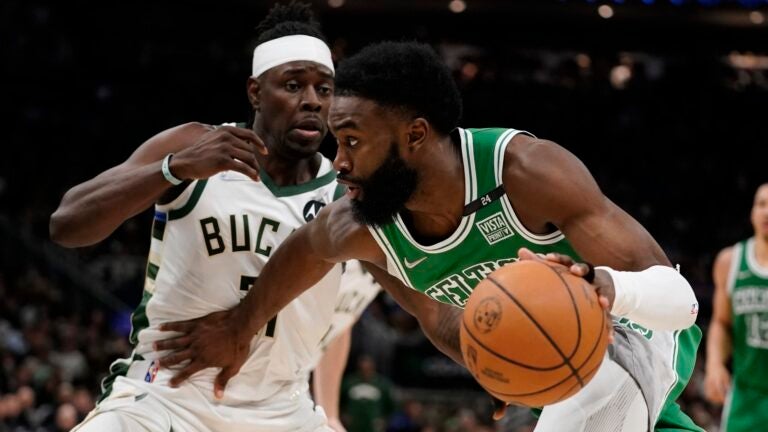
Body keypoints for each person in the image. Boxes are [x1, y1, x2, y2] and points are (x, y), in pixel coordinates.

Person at [154, 41, 703, 432]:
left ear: (414, 135)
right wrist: (239, 325)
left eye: (351, 141)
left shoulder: (525, 172)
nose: (337, 163)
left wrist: (607, 288)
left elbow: (674, 295)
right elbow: (434, 316)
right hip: (565, 357)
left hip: (636, 327)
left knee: (592, 400)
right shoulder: (361, 223)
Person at [48, 3, 365, 431]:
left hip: (283, 409)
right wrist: (173, 167)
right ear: (255, 92)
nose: (311, 101)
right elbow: (66, 224)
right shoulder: (196, 144)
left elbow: (424, 307)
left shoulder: (346, 192)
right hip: (163, 398)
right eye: (293, 86)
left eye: (324, 90)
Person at [704, 183, 768, 432]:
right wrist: (714, 364)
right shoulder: (730, 261)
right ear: (752, 212)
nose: (766, 212)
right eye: (761, 204)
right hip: (745, 397)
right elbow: (722, 322)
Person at [313, 261, 382, 432]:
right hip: (259, 375)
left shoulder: (388, 264)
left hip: (292, 384)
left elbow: (340, 326)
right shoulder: (331, 251)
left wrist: (329, 415)